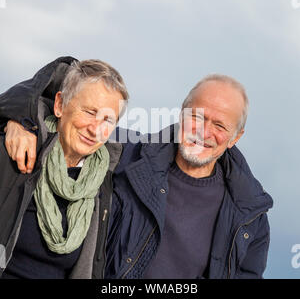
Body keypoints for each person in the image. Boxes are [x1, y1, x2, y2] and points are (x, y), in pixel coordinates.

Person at [1, 57, 273, 279]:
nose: (204, 131)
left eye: (220, 126)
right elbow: (74, 108)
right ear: (181, 114)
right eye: (197, 116)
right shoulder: (127, 157)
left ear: (235, 138)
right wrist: (19, 118)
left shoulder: (249, 214)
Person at [0, 58, 129, 279]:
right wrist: (8, 119)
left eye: (107, 120)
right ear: (60, 105)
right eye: (89, 112)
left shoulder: (104, 182)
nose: (95, 129)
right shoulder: (14, 151)